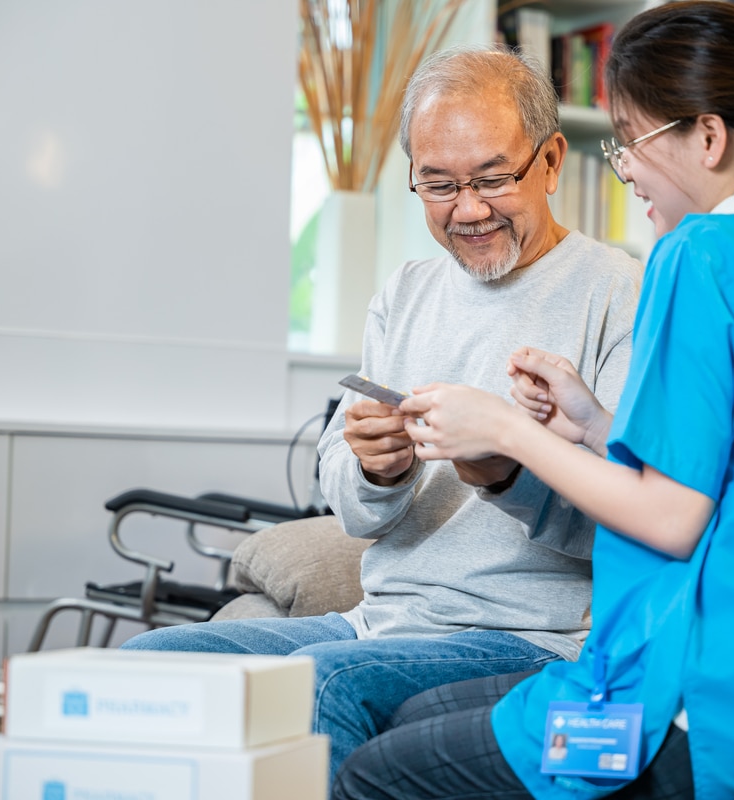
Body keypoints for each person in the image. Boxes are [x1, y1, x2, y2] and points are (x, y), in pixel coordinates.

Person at [332, 2, 734, 798]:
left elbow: (673, 520)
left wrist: (506, 429)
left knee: (375, 772)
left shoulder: (698, 255)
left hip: (697, 704)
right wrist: (596, 425)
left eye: (631, 141)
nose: (624, 170)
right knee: (417, 714)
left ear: (706, 139)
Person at [121, 45, 643, 788]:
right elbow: (352, 507)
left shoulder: (622, 294)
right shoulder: (405, 293)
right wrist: (377, 467)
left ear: (552, 161)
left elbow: (635, 521)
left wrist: (505, 474)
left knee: (322, 682)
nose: (467, 210)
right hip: (380, 624)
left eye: (493, 179)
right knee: (140, 670)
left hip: (532, 638)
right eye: (437, 184)